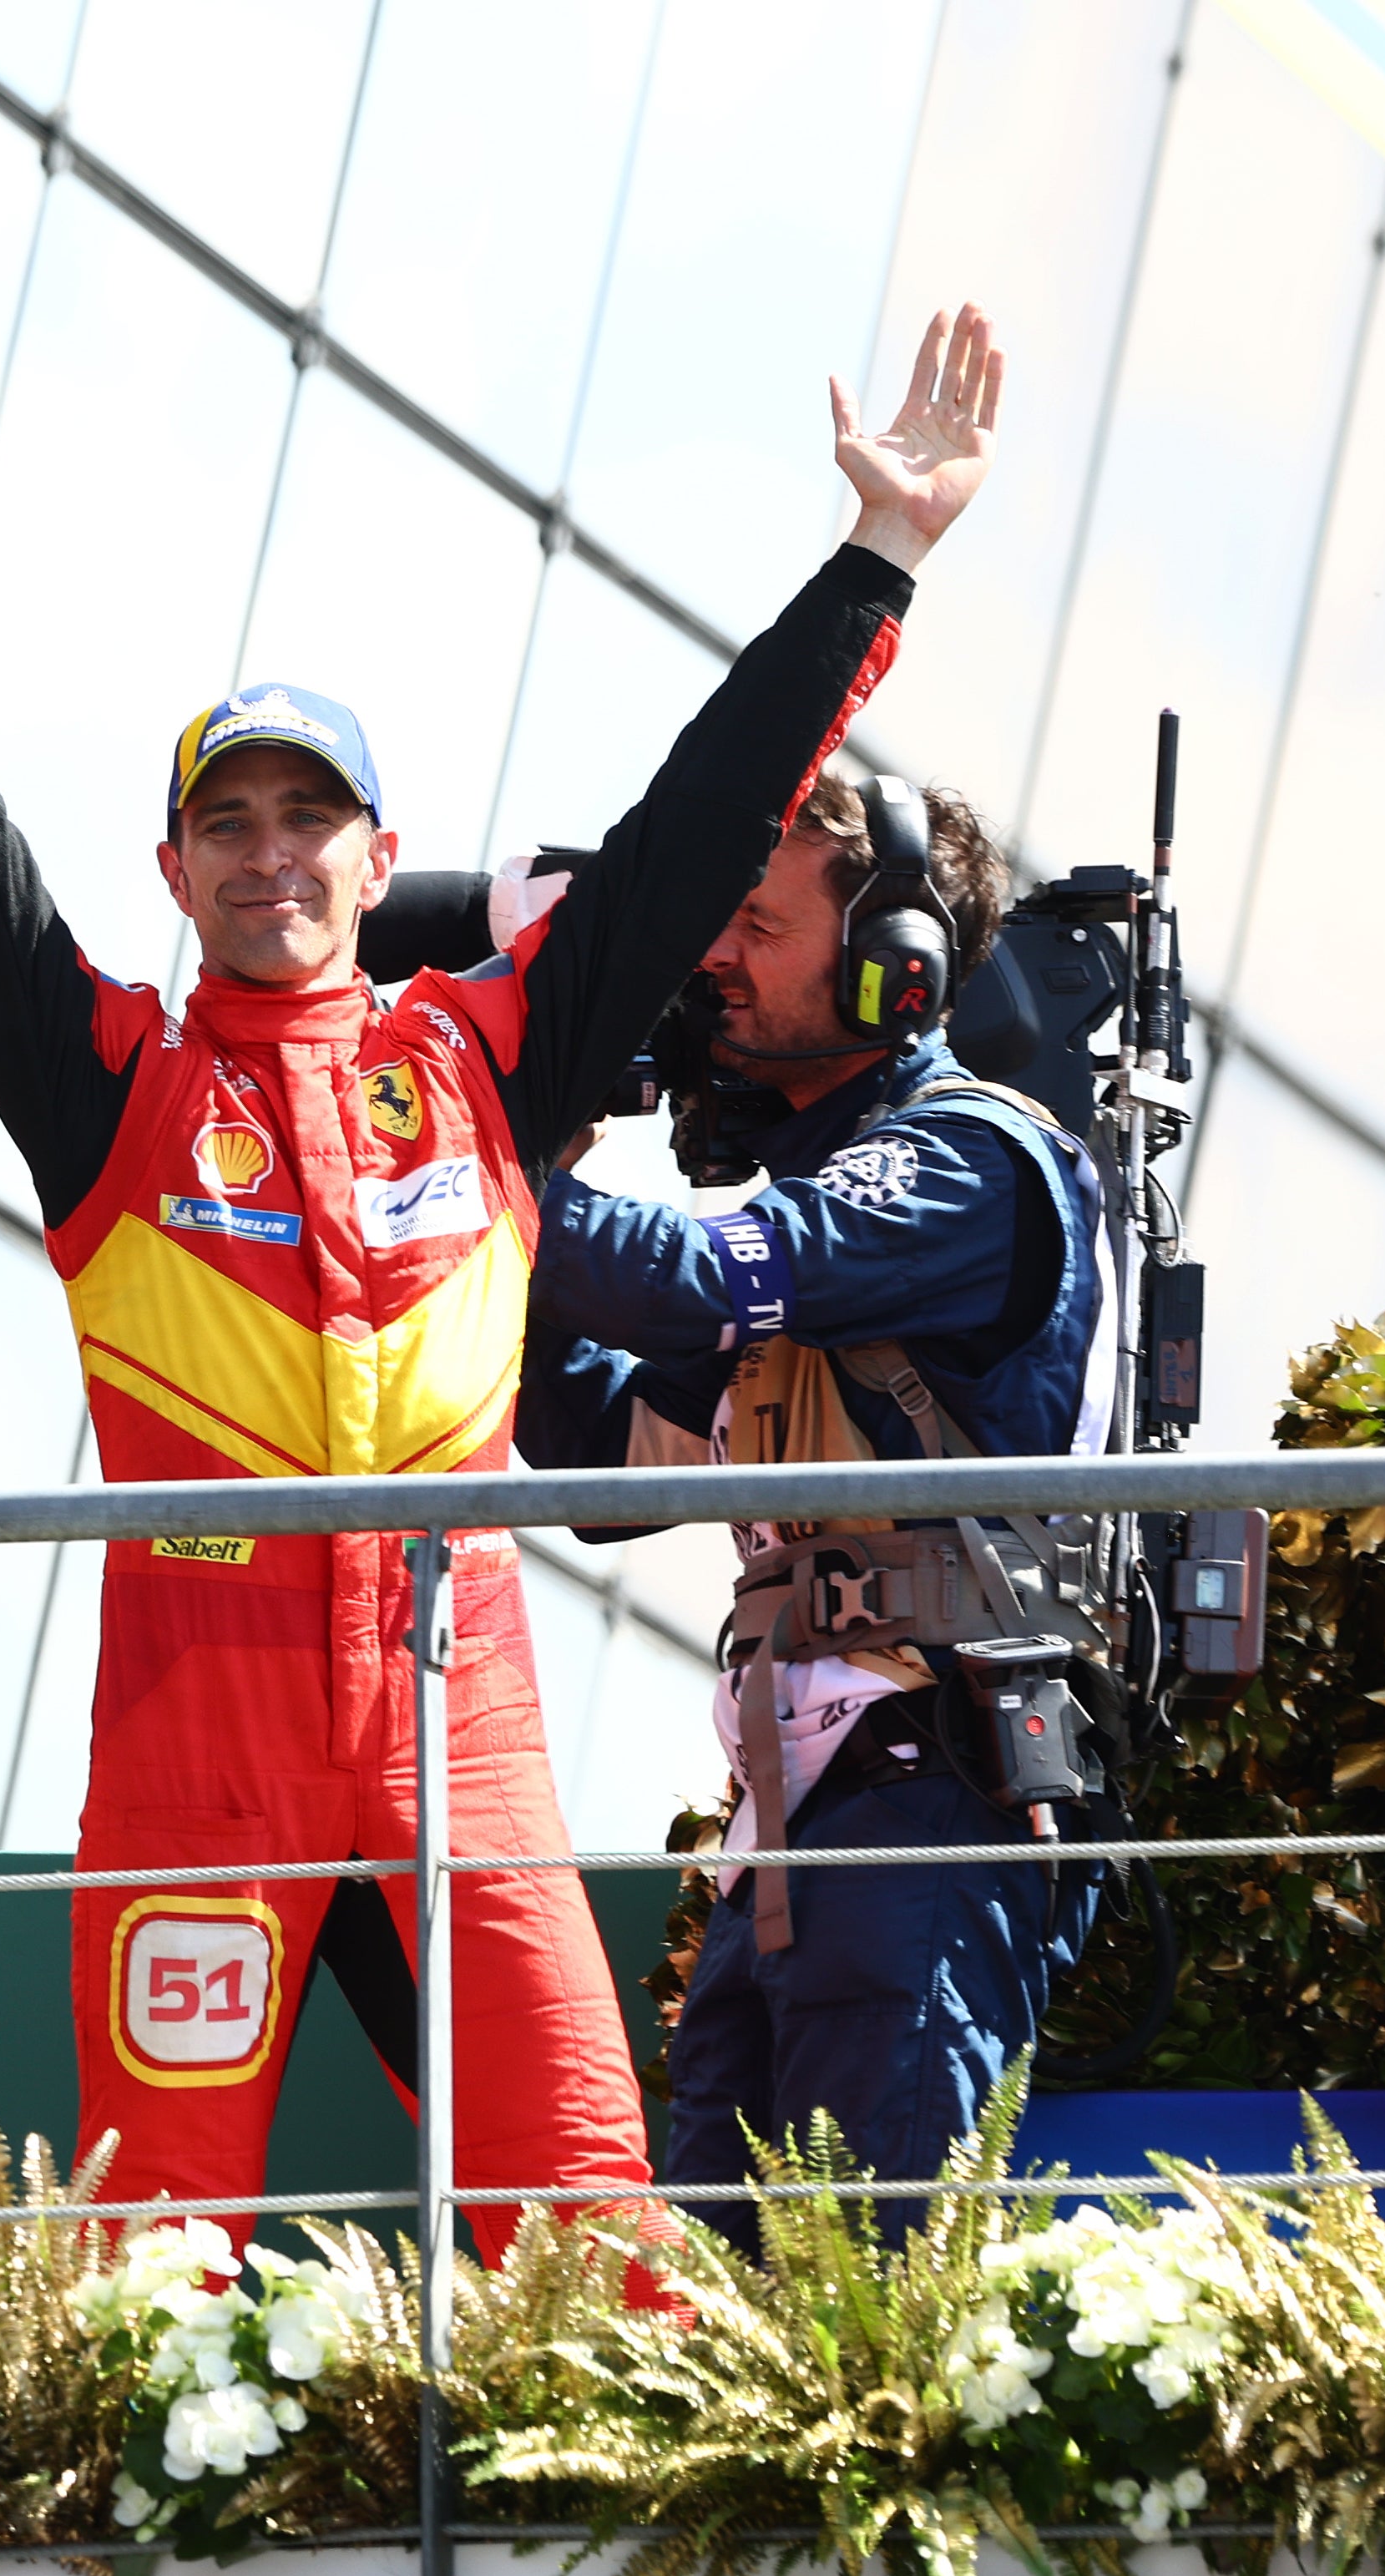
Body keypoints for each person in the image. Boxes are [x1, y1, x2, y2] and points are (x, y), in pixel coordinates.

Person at [0, 205, 1002, 2260]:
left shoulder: (490, 1054)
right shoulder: (107, 1084)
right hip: (188, 1752)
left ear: (379, 858)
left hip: (452, 1727)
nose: (269, 853)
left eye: (308, 819)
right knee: (148, 2275)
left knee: (594, 2244)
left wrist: (878, 563)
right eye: (227, 820)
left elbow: (684, 833)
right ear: (174, 866)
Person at [514, 775, 1109, 2251]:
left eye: (754, 923)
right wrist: (550, 1180)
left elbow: (699, 1277)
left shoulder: (974, 1162)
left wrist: (482, 1162)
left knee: (872, 2305)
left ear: (891, 961)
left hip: (928, 1807)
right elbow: (594, 1454)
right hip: (797, 1831)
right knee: (723, 2317)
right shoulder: (797, 1203)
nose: (709, 955)